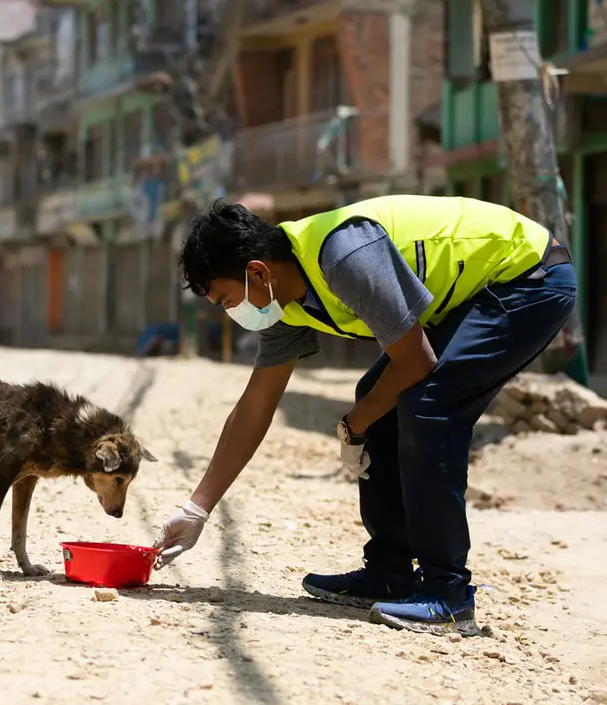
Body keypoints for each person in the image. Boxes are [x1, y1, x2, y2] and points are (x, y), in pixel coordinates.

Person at [154, 195, 577, 636]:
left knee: (427, 405)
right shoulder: (283, 304)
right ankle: (390, 574)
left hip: (528, 276)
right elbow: (255, 405)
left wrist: (353, 425)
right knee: (376, 397)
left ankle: (448, 596)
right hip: (475, 292)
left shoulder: (343, 256)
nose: (230, 312)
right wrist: (196, 509)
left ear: (257, 271)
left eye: (226, 300)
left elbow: (417, 363)